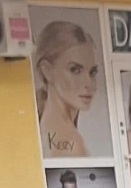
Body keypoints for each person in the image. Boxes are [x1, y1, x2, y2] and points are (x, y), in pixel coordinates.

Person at [32, 21, 101, 159]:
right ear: (47, 70)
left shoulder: (46, 126)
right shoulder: (70, 143)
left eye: (92, 72)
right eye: (75, 70)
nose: (88, 83)